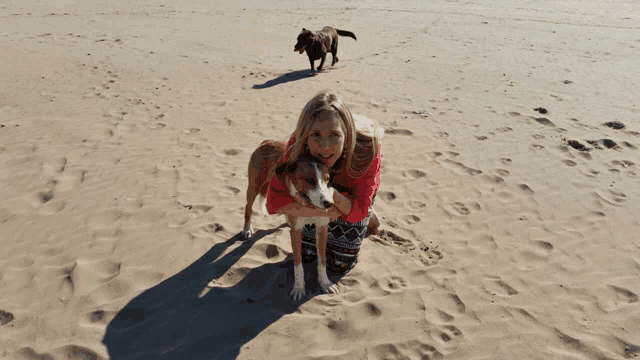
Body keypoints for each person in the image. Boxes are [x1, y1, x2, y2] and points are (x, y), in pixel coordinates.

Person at [266, 90, 383, 274]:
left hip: (350, 192)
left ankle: (371, 208)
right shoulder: (298, 146)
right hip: (317, 192)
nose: (325, 146)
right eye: (316, 135)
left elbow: (356, 214)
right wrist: (328, 210)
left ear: (346, 133)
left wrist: (333, 196)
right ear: (305, 136)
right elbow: (273, 203)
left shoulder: (366, 150)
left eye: (334, 135)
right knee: (307, 256)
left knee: (339, 265)